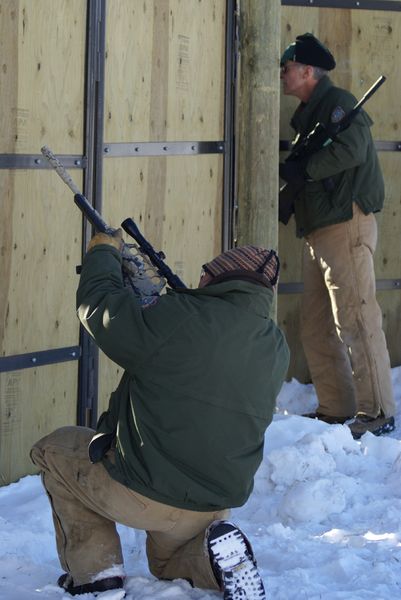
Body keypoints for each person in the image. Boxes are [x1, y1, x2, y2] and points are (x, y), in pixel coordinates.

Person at [31, 230, 289, 599]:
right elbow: (193, 358)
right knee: (167, 565)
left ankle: (96, 574)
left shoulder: (178, 319)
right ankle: (212, 563)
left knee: (55, 450)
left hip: (148, 492)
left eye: (206, 274)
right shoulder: (275, 345)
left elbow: (99, 307)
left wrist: (103, 252)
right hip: (212, 505)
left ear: (217, 281)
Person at [279, 32, 396, 439]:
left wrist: (305, 171)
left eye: (288, 67)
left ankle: (378, 412)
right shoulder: (313, 112)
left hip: (345, 224)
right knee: (315, 324)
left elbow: (354, 149)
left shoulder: (339, 105)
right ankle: (336, 407)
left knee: (357, 318)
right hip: (320, 229)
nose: (283, 74)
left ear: (307, 71)